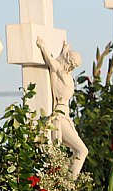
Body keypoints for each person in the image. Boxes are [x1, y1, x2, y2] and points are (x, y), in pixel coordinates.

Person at [36, 38, 88, 176]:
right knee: (82, 150)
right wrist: (42, 46)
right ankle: (69, 181)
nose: (72, 67)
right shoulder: (58, 71)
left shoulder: (66, 74)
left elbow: (58, 61)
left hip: (66, 116)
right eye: (72, 64)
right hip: (59, 116)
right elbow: (51, 61)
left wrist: (64, 49)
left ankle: (65, 177)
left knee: (78, 151)